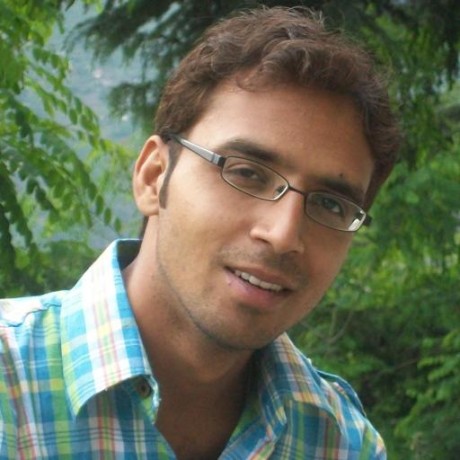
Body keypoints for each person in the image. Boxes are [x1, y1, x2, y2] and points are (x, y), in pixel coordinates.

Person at [0, 6, 400, 459]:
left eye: (330, 204)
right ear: (154, 177)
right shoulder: (11, 385)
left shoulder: (340, 442)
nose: (283, 234)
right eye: (246, 173)